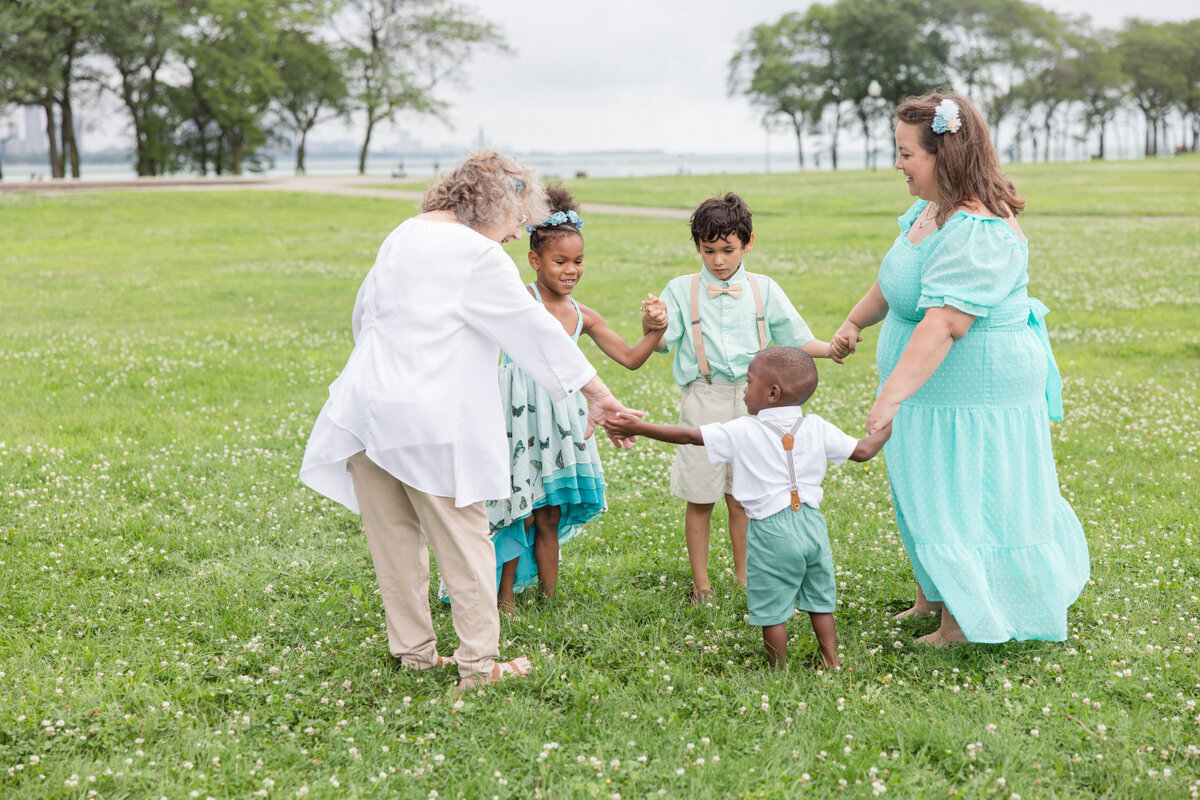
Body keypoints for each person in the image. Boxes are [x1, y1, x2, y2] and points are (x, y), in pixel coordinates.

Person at [298, 150, 640, 688]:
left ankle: (413, 651)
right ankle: (479, 667)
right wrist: (597, 393)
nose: (512, 235)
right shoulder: (476, 255)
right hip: (429, 419)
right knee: (466, 538)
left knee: (394, 538)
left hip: (365, 409)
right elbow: (533, 329)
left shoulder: (404, 234)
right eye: (514, 223)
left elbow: (362, 315)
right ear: (495, 203)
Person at [832, 92, 1089, 645]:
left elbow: (944, 324)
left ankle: (963, 623)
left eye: (906, 154)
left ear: (943, 155)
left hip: (976, 388)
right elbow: (896, 278)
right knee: (921, 486)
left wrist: (892, 395)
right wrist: (856, 321)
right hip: (934, 388)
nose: (897, 164)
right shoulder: (929, 212)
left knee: (958, 492)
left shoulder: (978, 230)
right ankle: (934, 595)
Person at [605, 347, 890, 668]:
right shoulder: (817, 426)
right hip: (813, 526)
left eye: (749, 382)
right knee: (821, 601)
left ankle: (777, 670)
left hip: (771, 530)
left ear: (772, 393)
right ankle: (832, 660)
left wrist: (639, 428)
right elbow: (864, 451)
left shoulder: (742, 429)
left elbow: (688, 436)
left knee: (772, 608)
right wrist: (887, 426)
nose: (743, 389)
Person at [474, 184, 669, 613]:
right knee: (518, 508)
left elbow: (631, 358)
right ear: (534, 260)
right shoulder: (518, 299)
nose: (571, 270)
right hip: (518, 419)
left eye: (578, 261)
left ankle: (548, 596)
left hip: (561, 424)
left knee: (549, 513)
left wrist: (654, 328)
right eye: (559, 261)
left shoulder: (585, 315)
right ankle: (502, 598)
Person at [651, 192, 835, 604]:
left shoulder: (763, 288)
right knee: (701, 496)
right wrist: (654, 323)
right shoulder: (681, 290)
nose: (718, 260)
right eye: (709, 250)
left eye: (728, 250)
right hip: (704, 397)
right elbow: (663, 342)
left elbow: (798, 339)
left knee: (743, 496)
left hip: (756, 407)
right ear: (697, 247)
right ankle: (701, 584)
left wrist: (833, 347)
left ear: (747, 244)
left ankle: (745, 576)